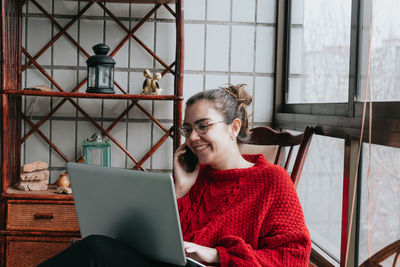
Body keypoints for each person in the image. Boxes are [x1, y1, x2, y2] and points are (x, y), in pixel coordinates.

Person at [38, 84, 311, 267]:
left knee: (95, 252)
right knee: (95, 246)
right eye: (187, 129)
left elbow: (294, 257)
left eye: (203, 126)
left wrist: (218, 255)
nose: (193, 137)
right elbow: (167, 246)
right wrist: (180, 189)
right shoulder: (194, 176)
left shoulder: (272, 180)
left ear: (233, 127)